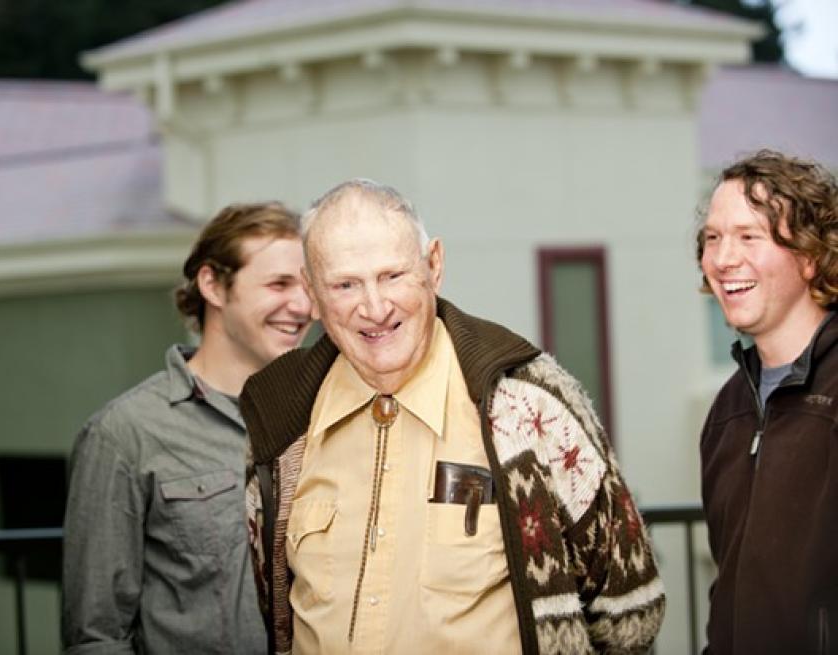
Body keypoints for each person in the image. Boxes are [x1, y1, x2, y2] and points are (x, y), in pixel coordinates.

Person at [239, 179, 665, 655]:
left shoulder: (528, 405)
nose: (375, 308)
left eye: (393, 276)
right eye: (345, 285)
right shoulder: (281, 422)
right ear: (313, 293)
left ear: (434, 266)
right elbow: (272, 607)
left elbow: (629, 613)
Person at [62, 202, 312, 654]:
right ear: (213, 285)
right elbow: (96, 635)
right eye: (279, 284)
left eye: (307, 286)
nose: (303, 306)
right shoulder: (124, 434)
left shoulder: (320, 418)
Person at [697, 150, 838, 654]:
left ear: (809, 254)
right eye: (713, 238)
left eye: (748, 236)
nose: (722, 258)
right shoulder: (728, 410)